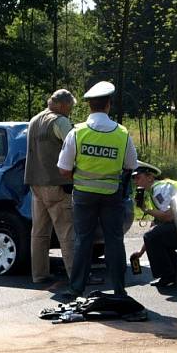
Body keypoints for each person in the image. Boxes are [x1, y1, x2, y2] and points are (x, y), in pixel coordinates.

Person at [57, 81, 138, 298]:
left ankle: (76, 288)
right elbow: (131, 165)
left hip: (83, 195)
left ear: (90, 106)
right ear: (108, 105)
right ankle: (120, 290)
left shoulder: (77, 132)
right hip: (112, 195)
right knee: (114, 240)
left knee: (83, 240)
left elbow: (63, 168)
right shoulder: (122, 134)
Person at [24, 89, 77, 284]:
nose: (70, 111)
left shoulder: (34, 120)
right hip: (56, 183)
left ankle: (39, 275)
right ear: (63, 105)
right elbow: (73, 146)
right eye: (70, 107)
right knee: (67, 232)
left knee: (39, 233)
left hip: (35, 184)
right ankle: (75, 276)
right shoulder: (60, 121)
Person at [129, 162, 177, 289]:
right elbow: (156, 228)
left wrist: (146, 210)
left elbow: (168, 216)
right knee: (155, 236)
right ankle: (174, 274)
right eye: (134, 179)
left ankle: (168, 276)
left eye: (138, 177)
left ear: (150, 177)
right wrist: (141, 252)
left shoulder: (159, 190)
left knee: (153, 236)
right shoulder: (159, 189)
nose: (136, 182)